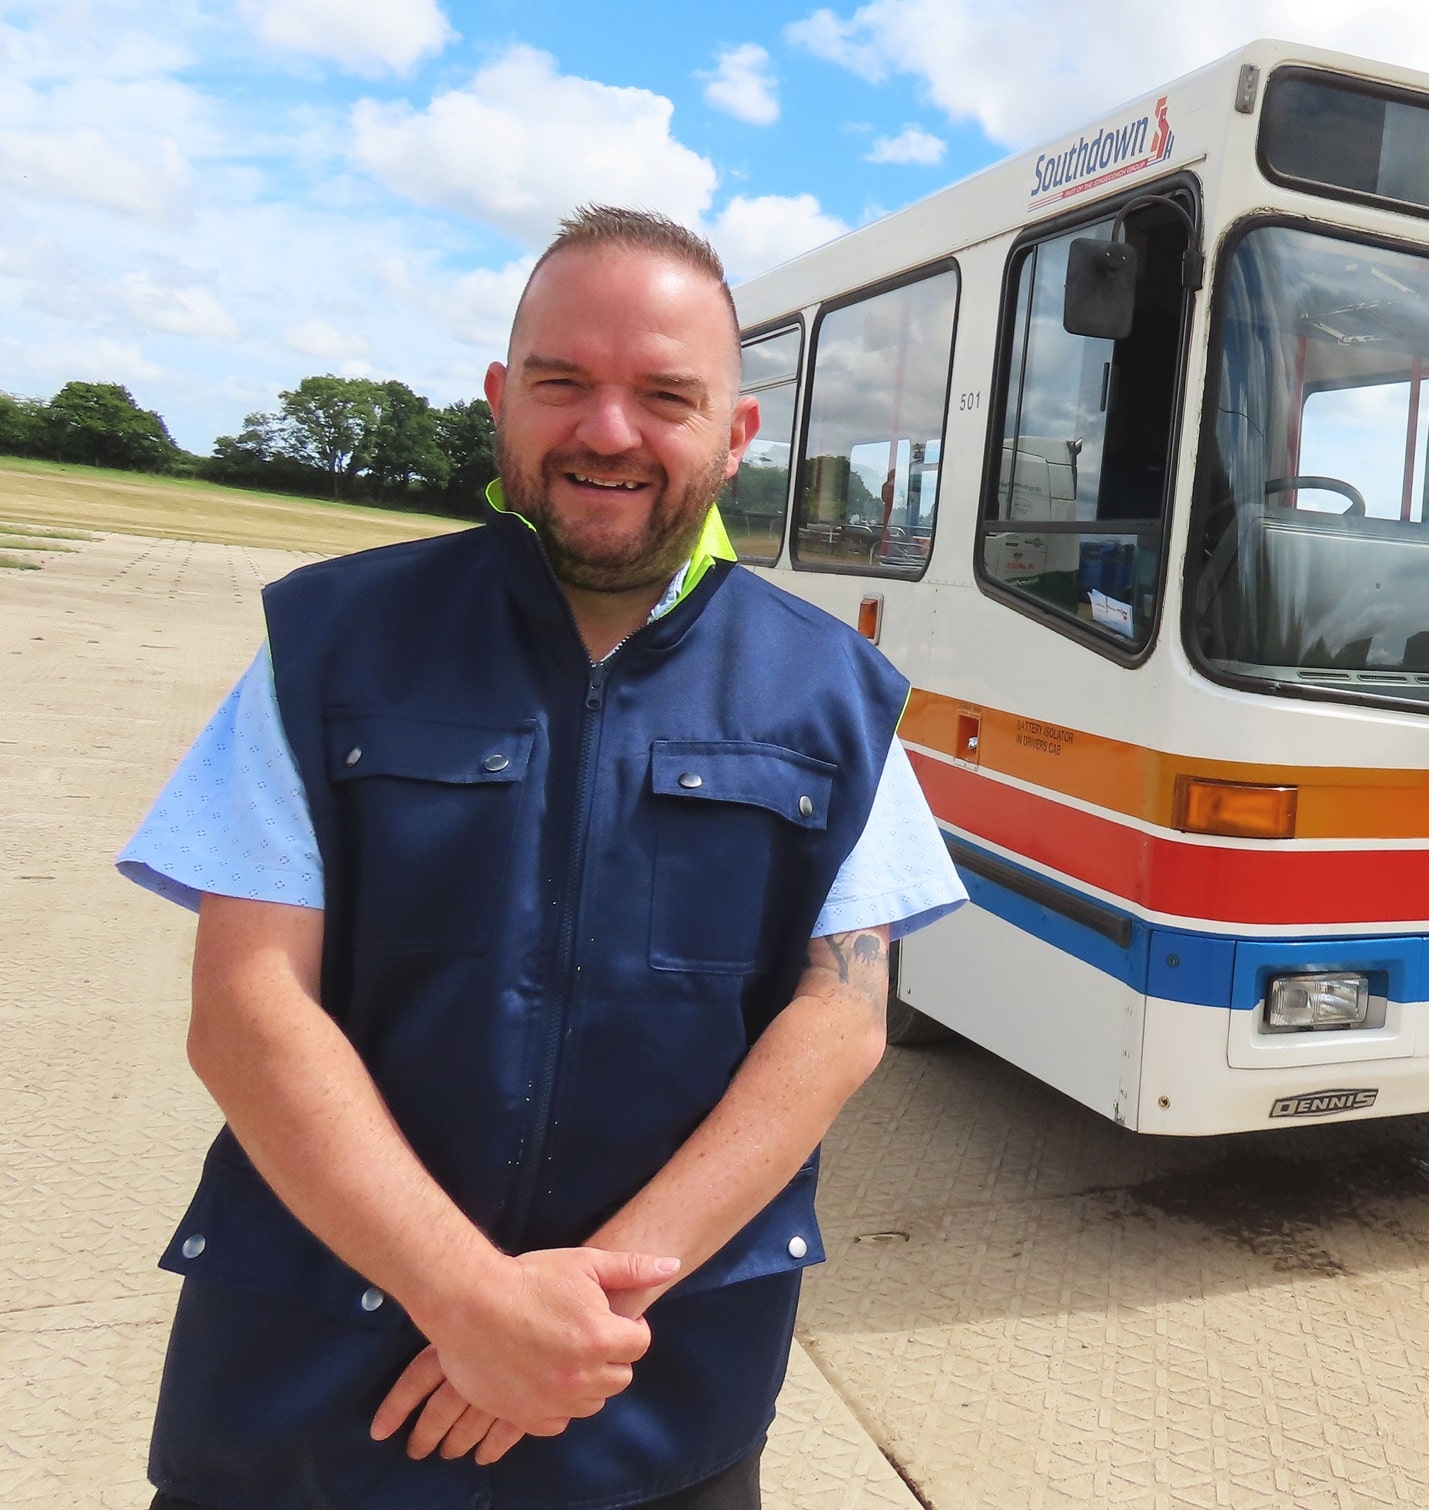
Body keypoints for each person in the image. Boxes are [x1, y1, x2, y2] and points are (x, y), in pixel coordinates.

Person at [116, 205, 965, 1509]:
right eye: (565, 382)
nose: (608, 429)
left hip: (648, 1398)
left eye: (664, 394)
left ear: (735, 435)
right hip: (313, 1396)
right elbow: (245, 1008)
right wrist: (463, 1297)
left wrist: (571, 1322)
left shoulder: (837, 695)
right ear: (503, 402)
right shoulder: (328, 646)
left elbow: (839, 1016)